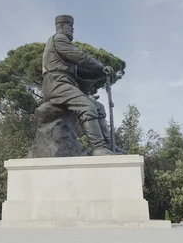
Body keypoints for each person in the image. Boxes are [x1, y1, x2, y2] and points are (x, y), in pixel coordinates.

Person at [41, 14, 125, 155]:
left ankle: (109, 146)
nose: (73, 30)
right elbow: (81, 57)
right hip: (56, 84)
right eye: (70, 27)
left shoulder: (65, 49)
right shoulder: (58, 39)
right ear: (61, 27)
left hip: (65, 84)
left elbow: (82, 72)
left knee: (99, 107)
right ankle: (98, 148)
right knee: (88, 106)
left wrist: (101, 73)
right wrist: (99, 66)